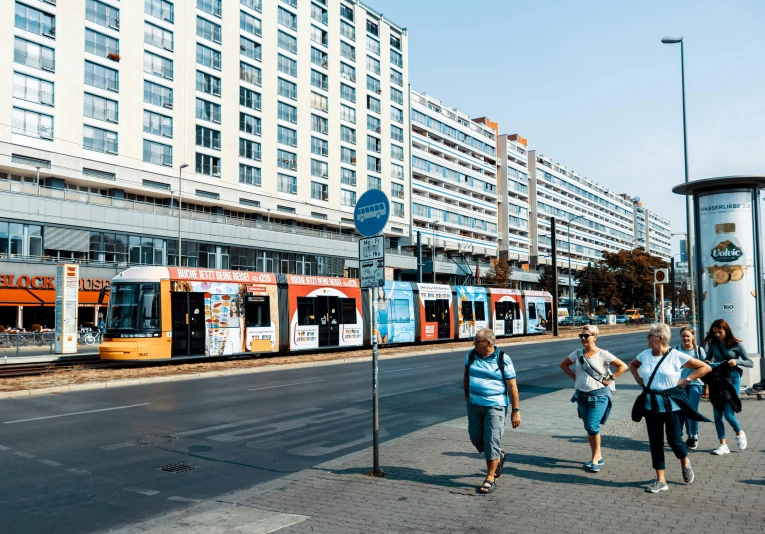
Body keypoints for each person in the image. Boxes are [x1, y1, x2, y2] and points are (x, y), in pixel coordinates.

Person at [628, 323, 711, 493]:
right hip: (651, 406)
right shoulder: (645, 355)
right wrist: (639, 380)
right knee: (655, 442)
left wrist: (686, 380)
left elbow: (705, 367)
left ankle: (685, 462)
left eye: (649, 335)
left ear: (660, 338)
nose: (647, 338)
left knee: (675, 440)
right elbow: (632, 365)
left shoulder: (676, 356)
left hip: (673, 407)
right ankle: (661, 480)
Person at [559, 325, 628, 472]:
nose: (583, 338)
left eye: (586, 335)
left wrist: (611, 378)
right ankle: (598, 455)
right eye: (581, 336)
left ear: (595, 337)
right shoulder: (578, 354)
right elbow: (563, 364)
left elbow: (623, 366)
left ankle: (595, 458)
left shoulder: (603, 354)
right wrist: (573, 377)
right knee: (589, 428)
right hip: (582, 396)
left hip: (599, 395)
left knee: (592, 426)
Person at [463, 328, 521, 494]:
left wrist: (515, 410)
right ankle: (499, 456)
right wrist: (467, 397)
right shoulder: (471, 355)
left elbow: (512, 386)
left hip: (495, 406)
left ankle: (490, 477)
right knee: (476, 438)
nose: (474, 343)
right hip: (474, 405)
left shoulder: (503, 359)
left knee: (491, 441)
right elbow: (466, 376)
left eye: (476, 341)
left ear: (487, 343)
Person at [702, 319, 752, 455]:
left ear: (726, 330)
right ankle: (722, 445)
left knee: (729, 414)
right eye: (715, 332)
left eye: (720, 332)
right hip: (717, 379)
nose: (717, 335)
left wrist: (736, 361)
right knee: (717, 415)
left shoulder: (736, 344)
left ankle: (739, 432)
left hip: (732, 378)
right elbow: (708, 358)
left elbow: (750, 362)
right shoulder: (713, 344)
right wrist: (706, 362)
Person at [675, 327, 706, 450]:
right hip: (681, 385)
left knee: (692, 410)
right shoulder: (676, 350)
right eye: (683, 336)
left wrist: (707, 388)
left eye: (688, 336)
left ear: (692, 336)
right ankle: (688, 436)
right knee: (683, 411)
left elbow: (706, 369)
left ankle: (694, 436)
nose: (686, 338)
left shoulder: (699, 351)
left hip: (696, 384)